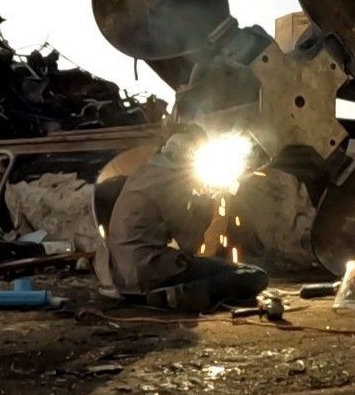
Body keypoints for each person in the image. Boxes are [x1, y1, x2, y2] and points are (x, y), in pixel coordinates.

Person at [105, 126, 268, 312]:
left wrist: (198, 198)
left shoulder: (147, 171)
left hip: (122, 276)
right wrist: (216, 205)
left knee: (229, 270)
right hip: (149, 273)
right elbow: (193, 245)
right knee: (254, 275)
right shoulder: (173, 183)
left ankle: (169, 295)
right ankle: (186, 293)